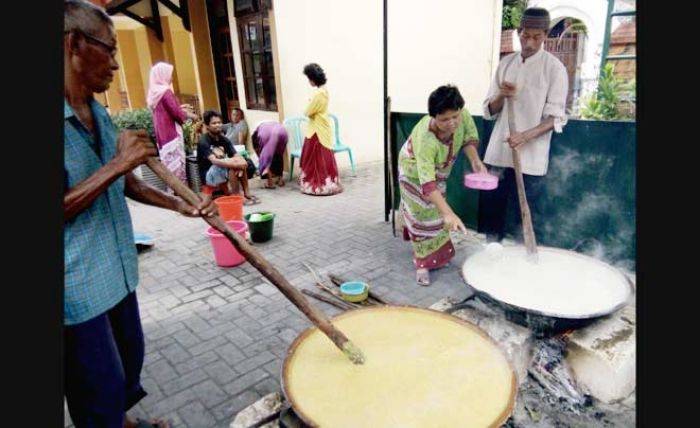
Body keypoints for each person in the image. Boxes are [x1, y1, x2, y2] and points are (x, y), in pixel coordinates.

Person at [63, 2, 217, 427]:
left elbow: (127, 184)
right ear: (74, 44)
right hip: (76, 294)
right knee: (96, 391)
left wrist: (180, 204)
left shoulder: (98, 113)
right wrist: (116, 164)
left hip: (119, 274)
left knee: (127, 368)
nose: (116, 64)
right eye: (108, 50)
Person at [478, 7, 568, 242]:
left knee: (523, 214)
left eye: (537, 37)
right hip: (499, 152)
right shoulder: (506, 64)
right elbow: (489, 111)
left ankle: (523, 260)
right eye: (526, 35)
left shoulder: (555, 69)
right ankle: (491, 253)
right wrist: (501, 96)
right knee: (493, 209)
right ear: (519, 32)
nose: (529, 42)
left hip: (531, 157)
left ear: (545, 35)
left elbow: (555, 117)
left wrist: (524, 136)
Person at [398, 85, 486, 286]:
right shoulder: (425, 139)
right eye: (444, 119)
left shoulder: (462, 116)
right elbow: (427, 184)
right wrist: (449, 213)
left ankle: (437, 258)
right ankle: (422, 263)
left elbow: (468, 139)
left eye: (454, 116)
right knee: (421, 217)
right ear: (433, 117)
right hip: (413, 173)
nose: (452, 123)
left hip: (439, 173)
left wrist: (475, 161)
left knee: (438, 215)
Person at [147, 61, 198, 187]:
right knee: (178, 167)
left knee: (169, 167)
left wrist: (181, 108)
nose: (171, 77)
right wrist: (189, 115)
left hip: (163, 136)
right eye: (169, 74)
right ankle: (182, 196)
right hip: (172, 134)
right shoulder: (166, 92)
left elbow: (166, 111)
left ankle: (174, 193)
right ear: (162, 75)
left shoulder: (153, 93)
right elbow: (176, 114)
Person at [197, 110, 260, 205]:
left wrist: (242, 163)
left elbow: (237, 155)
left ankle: (247, 192)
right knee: (232, 166)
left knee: (241, 162)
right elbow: (214, 161)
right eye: (214, 123)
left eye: (219, 122)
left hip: (219, 170)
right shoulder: (203, 141)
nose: (218, 125)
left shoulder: (223, 139)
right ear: (207, 126)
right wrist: (235, 164)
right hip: (207, 175)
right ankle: (237, 195)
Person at [299, 63, 342, 195]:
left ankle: (319, 185)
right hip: (320, 127)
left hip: (317, 129)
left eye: (309, 78)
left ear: (313, 78)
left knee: (315, 157)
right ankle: (327, 182)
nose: (309, 81)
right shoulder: (323, 91)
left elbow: (307, 111)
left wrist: (309, 108)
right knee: (322, 155)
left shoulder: (319, 93)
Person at [252, 121, 288, 189]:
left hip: (268, 134)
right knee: (279, 154)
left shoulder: (256, 134)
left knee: (265, 158)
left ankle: (270, 183)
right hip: (283, 132)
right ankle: (280, 179)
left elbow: (258, 151)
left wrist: (261, 159)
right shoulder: (266, 125)